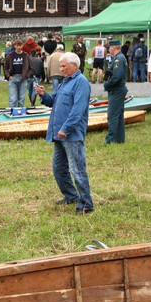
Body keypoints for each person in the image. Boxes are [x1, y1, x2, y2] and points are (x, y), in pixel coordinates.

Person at [35, 52, 94, 214]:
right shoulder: (65, 82)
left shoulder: (81, 82)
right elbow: (52, 101)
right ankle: (71, 195)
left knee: (77, 169)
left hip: (71, 135)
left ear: (74, 65)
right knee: (58, 168)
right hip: (59, 134)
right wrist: (43, 94)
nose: (61, 69)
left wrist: (66, 128)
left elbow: (78, 110)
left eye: (63, 66)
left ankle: (86, 204)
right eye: (60, 66)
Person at [104, 40, 128, 144]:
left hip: (116, 90)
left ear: (113, 47)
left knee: (112, 115)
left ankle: (110, 139)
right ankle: (119, 138)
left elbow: (117, 76)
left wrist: (107, 84)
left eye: (109, 48)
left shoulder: (118, 59)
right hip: (118, 89)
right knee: (119, 115)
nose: (108, 50)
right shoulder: (119, 57)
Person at [4, 40, 30, 108]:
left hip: (23, 78)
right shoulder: (10, 55)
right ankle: (12, 112)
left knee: (21, 99)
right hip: (13, 78)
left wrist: (26, 76)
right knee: (13, 99)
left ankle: (20, 113)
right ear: (14, 46)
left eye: (20, 45)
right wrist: (8, 76)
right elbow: (5, 67)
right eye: (17, 45)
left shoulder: (26, 55)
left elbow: (31, 68)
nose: (19, 47)